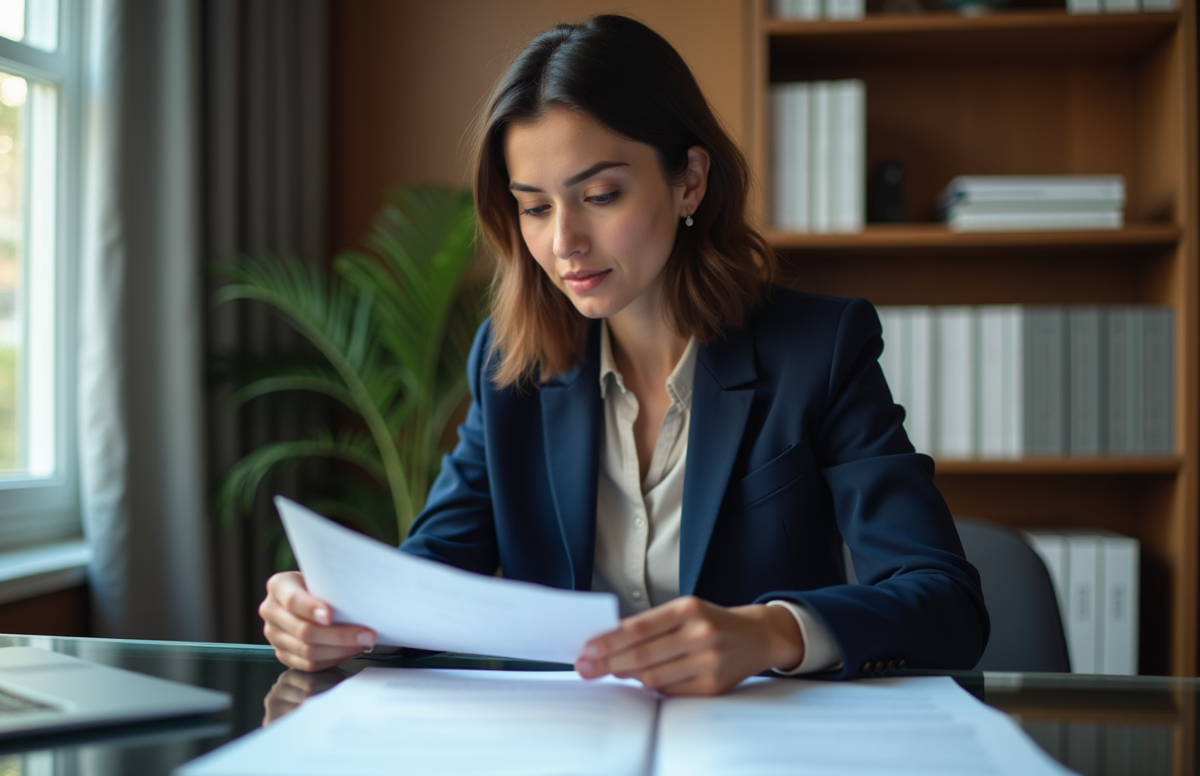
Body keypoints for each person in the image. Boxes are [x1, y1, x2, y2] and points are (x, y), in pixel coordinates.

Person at [259, 14, 988, 695]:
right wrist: (332, 616)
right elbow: (429, 582)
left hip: (759, 751)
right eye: (536, 207)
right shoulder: (508, 364)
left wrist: (770, 632)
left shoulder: (818, 351)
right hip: (565, 755)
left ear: (689, 182)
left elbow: (944, 599)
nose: (563, 241)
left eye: (601, 195)